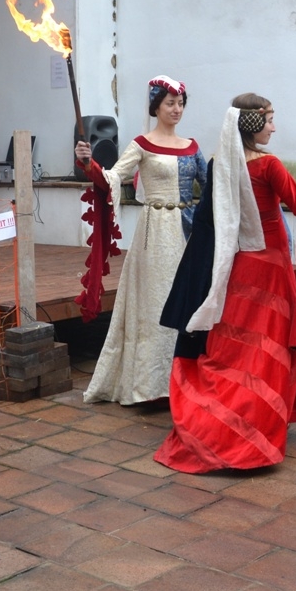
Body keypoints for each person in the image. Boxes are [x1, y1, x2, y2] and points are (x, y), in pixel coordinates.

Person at [156, 93, 296, 473]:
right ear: (253, 124)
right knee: (266, 349)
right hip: (270, 271)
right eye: (270, 119)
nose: (274, 126)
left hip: (236, 268)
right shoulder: (269, 165)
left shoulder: (220, 163)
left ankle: (230, 415)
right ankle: (252, 428)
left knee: (235, 348)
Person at [74, 75, 206, 405]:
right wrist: (87, 162)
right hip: (154, 234)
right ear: (156, 107)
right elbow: (111, 178)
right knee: (155, 302)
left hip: (187, 232)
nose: (176, 109)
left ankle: (183, 381)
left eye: (180, 103)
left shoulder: (192, 146)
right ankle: (150, 387)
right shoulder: (142, 144)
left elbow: (211, 186)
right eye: (170, 103)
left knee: (187, 301)